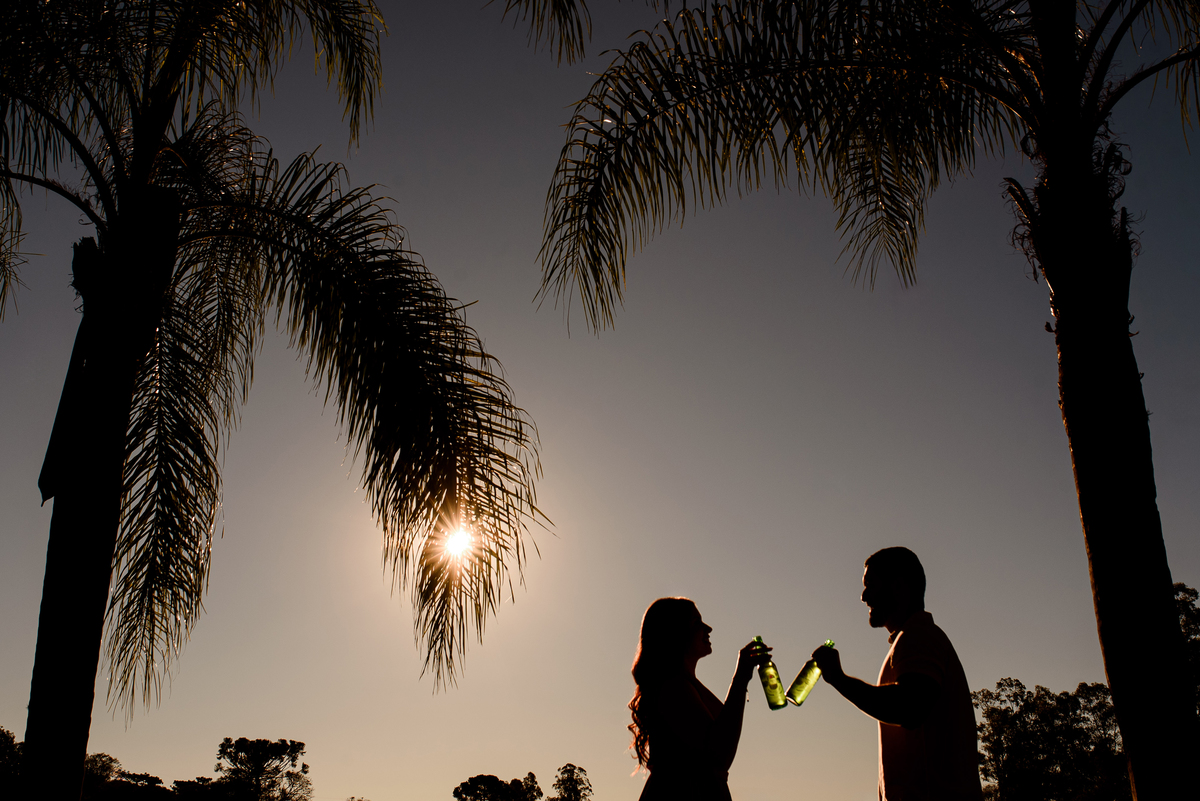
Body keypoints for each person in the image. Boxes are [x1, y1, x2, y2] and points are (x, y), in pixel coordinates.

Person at [812, 547, 983, 801]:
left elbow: (910, 707)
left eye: (870, 584)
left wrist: (839, 679)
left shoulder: (918, 636)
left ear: (898, 586)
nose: (863, 596)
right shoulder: (911, 639)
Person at [629, 597, 770, 801]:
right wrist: (740, 678)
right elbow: (719, 755)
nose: (708, 628)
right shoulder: (673, 688)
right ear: (675, 633)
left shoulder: (686, 684)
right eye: (697, 623)